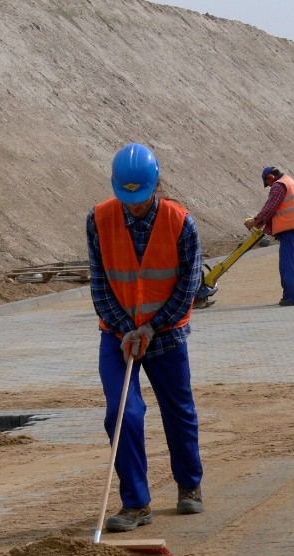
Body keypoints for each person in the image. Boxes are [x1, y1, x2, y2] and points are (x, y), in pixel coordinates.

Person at [86, 143, 205, 533]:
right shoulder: (99, 219)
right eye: (127, 198)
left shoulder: (180, 222)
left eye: (141, 198)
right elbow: (100, 281)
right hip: (117, 335)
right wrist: (124, 328)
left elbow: (188, 285)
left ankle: (189, 486)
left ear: (156, 184)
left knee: (179, 411)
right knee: (122, 413)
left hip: (166, 334)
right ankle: (136, 503)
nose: (134, 206)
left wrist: (152, 328)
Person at [245, 166, 294, 306]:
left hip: (290, 228)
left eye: (268, 183)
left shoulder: (278, 185)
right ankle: (289, 295)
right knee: (290, 264)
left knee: (287, 265)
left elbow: (271, 206)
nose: (269, 186)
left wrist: (256, 221)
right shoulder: (289, 181)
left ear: (270, 178)